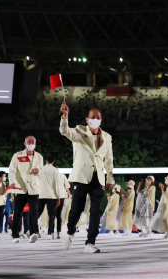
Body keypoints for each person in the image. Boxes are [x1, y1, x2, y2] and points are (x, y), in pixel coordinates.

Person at [59, 102, 115, 253]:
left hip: (98, 178)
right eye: (93, 117)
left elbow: (109, 160)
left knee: (96, 211)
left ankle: (90, 243)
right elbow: (64, 131)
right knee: (76, 209)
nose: (95, 119)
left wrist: (109, 179)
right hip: (81, 177)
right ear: (87, 119)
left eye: (98, 117)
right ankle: (71, 233)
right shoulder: (79, 131)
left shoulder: (107, 137)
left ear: (101, 120)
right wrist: (65, 116)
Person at [8, 136, 44, 244]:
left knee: (34, 212)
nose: (31, 143)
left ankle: (33, 233)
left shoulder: (39, 156)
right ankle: (15, 235)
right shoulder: (17, 155)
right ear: (25, 144)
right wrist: (12, 182)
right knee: (17, 213)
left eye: (33, 141)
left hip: (34, 188)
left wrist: (39, 171)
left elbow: (42, 171)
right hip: (20, 188)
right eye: (29, 141)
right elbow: (11, 170)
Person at [37, 154, 61, 239]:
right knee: (51, 215)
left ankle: (35, 231)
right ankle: (50, 233)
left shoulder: (41, 169)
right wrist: (58, 196)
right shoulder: (55, 170)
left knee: (37, 213)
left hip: (41, 194)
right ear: (54, 161)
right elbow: (56, 184)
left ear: (46, 160)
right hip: (51, 195)